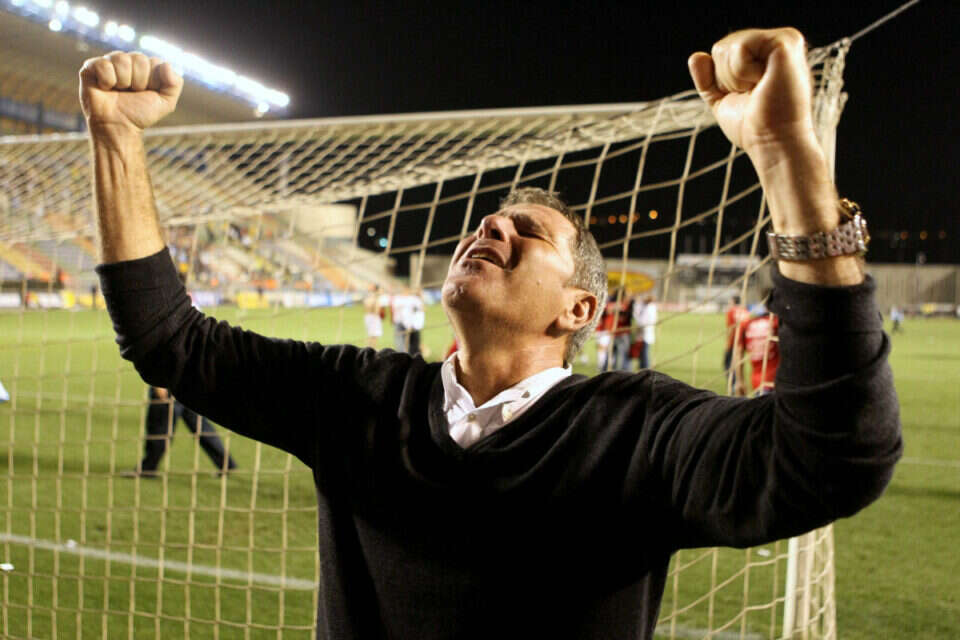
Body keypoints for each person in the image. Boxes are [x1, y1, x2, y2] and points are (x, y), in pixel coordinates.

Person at [82, 28, 901, 639]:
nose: (491, 227)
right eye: (488, 221)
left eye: (528, 232)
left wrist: (786, 156)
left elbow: (836, 457)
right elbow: (167, 339)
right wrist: (117, 134)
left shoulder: (637, 431)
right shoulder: (356, 398)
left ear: (579, 311)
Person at [130, 386, 238, 477]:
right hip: (191, 387)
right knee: (202, 428)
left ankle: (148, 468)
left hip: (170, 386)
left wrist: (159, 386)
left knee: (159, 430)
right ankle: (226, 464)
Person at [733, 310, 780, 396]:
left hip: (758, 382)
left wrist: (739, 381)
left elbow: (738, 354)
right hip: (777, 381)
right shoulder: (777, 323)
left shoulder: (747, 324)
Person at [723, 294, 751, 374]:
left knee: (728, 363)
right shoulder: (745, 310)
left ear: (733, 302)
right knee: (739, 361)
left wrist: (727, 343)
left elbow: (730, 328)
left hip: (734, 340)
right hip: (744, 340)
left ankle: (733, 380)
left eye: (730, 301)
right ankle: (738, 378)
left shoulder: (731, 311)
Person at [633, 294, 657, 369]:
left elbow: (642, 320)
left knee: (644, 352)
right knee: (641, 352)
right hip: (642, 333)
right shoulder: (646, 306)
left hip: (645, 333)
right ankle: (642, 367)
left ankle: (645, 367)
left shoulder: (650, 308)